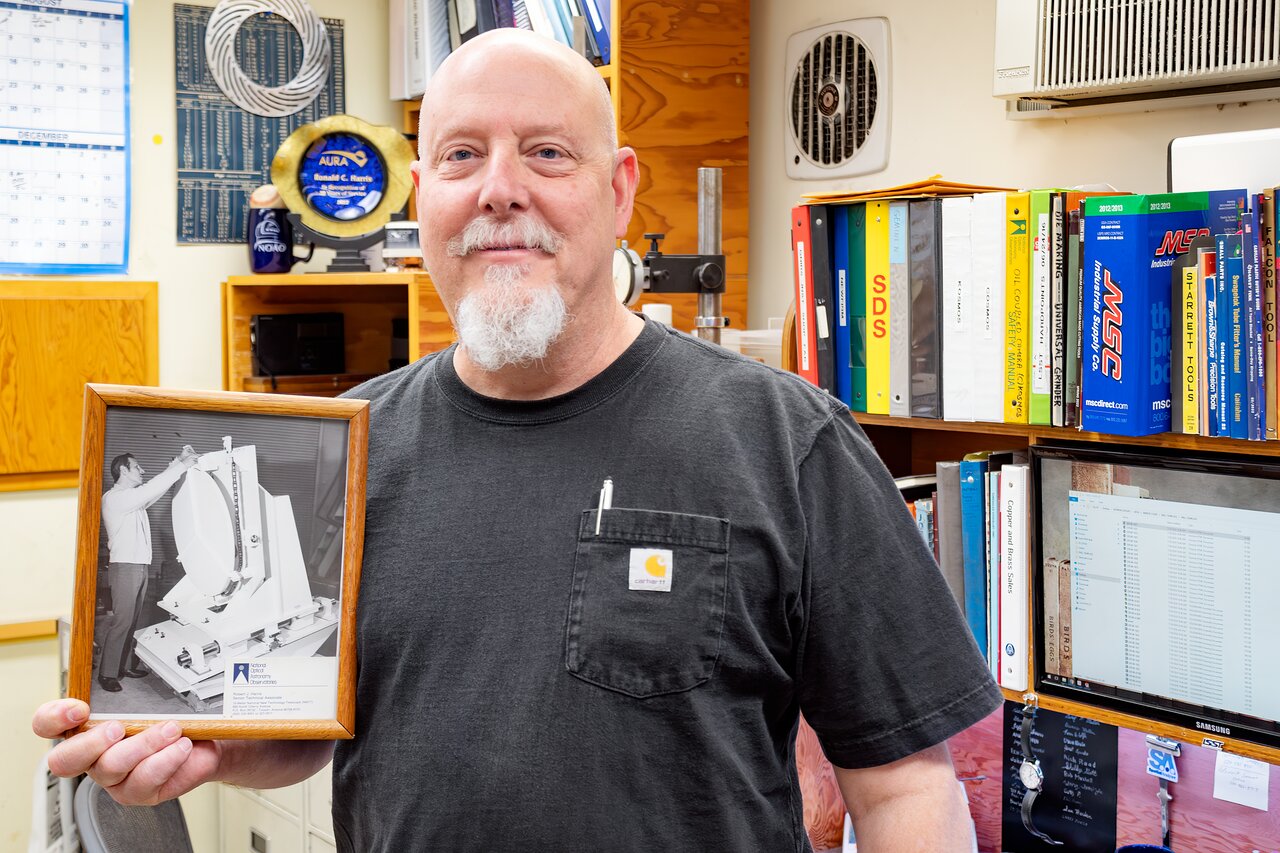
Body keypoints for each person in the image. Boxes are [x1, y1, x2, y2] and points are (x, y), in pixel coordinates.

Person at [34, 29, 1001, 850]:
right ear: (424, 198)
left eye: (546, 153)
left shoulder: (785, 442)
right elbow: (318, 721)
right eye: (461, 156)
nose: (499, 190)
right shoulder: (345, 450)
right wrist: (206, 746)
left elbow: (906, 786)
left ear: (620, 190)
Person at [95, 447, 198, 692]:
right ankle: (107, 674)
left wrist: (176, 466)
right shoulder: (114, 498)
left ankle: (125, 666)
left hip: (139, 566)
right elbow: (149, 489)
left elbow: (154, 491)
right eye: (137, 467)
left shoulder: (133, 500)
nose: (142, 470)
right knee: (122, 621)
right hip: (125, 567)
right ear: (123, 470)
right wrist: (181, 465)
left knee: (133, 621)